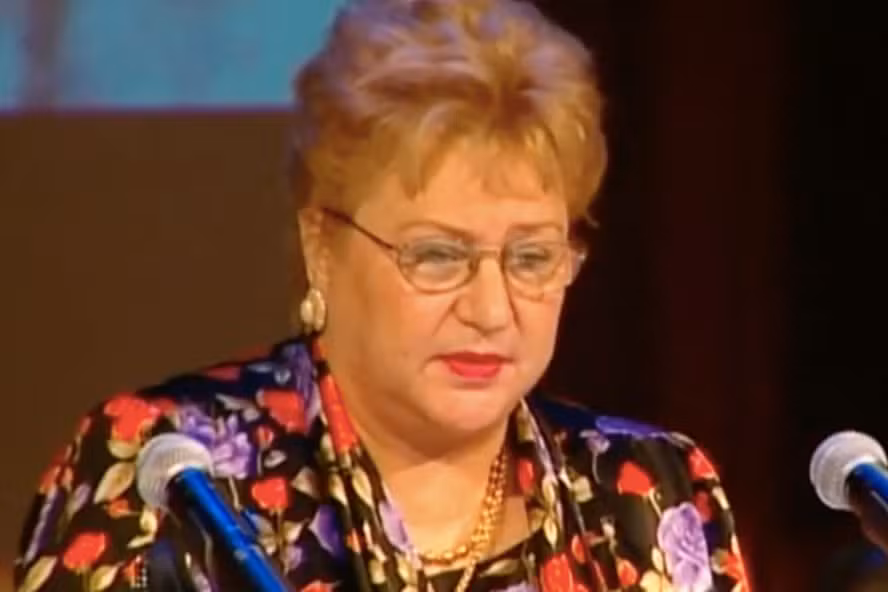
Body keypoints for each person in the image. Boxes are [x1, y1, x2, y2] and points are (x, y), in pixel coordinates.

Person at [14, 0, 751, 590]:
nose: (490, 310)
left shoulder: (651, 494)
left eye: (530, 257)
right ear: (322, 248)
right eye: (437, 256)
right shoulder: (166, 478)